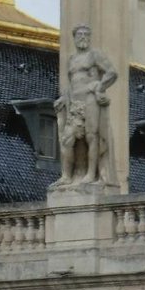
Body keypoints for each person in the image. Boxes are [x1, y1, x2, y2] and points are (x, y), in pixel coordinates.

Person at [54, 25, 117, 185]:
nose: (83, 37)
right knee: (67, 139)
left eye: (86, 35)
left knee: (91, 136)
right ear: (74, 38)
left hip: (90, 99)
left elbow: (112, 72)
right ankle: (67, 176)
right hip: (74, 102)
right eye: (79, 34)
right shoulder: (72, 59)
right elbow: (73, 82)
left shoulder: (94, 55)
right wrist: (64, 97)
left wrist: (99, 87)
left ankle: (91, 174)